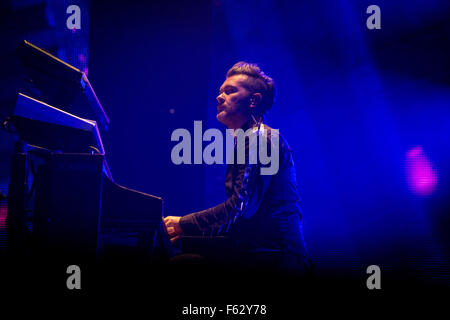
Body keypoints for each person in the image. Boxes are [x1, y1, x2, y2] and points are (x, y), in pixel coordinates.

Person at [163, 62, 311, 275]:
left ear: (254, 100)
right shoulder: (249, 139)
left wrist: (184, 224)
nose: (219, 97)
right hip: (261, 253)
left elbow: (238, 208)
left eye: (230, 91)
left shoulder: (260, 139)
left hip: (280, 259)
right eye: (220, 91)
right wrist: (188, 235)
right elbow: (244, 219)